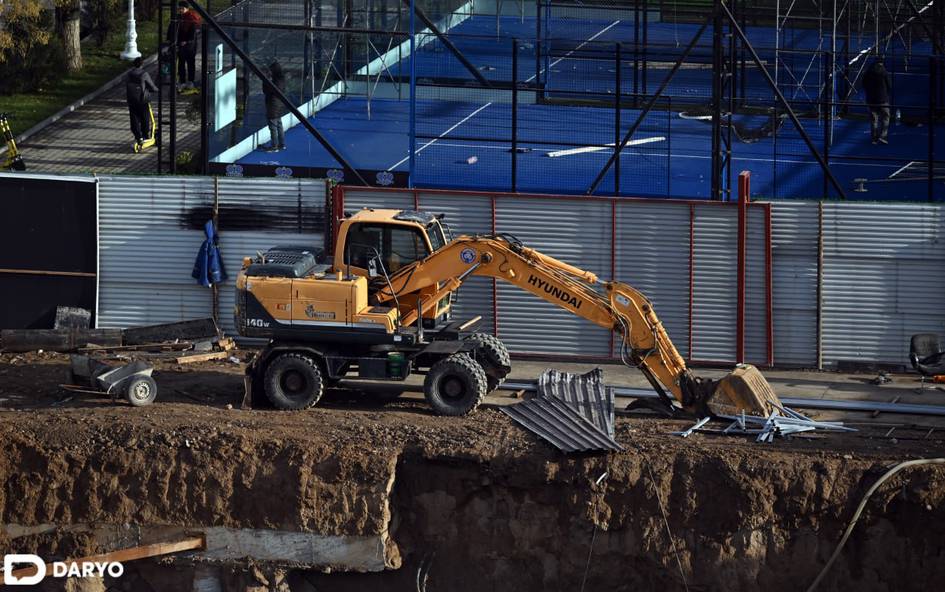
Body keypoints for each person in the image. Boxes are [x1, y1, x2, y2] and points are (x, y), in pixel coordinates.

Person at [125, 57, 159, 151]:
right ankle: (145, 135)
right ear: (142, 64)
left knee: (134, 118)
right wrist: (157, 89)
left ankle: (138, 136)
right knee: (145, 118)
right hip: (142, 100)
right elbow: (152, 86)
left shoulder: (129, 74)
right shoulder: (144, 74)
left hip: (131, 100)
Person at [167, 5, 202, 92]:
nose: (181, 10)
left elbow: (193, 33)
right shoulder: (178, 17)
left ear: (187, 8)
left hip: (190, 45)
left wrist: (187, 41)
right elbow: (172, 27)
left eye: (183, 8)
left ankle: (190, 81)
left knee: (190, 63)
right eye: (180, 8)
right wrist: (171, 39)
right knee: (181, 63)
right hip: (180, 44)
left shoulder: (191, 17)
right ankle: (182, 81)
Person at [863, 58, 892, 145]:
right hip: (883, 99)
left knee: (873, 119)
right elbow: (889, 85)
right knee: (886, 117)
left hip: (871, 99)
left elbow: (864, 84)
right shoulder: (884, 72)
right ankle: (883, 136)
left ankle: (874, 139)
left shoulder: (868, 72)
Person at [262, 60, 287, 152]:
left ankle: (274, 146)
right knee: (279, 124)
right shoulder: (281, 79)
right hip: (279, 104)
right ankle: (281, 144)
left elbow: (266, 91)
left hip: (273, 105)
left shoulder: (275, 81)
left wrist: (266, 80)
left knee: (273, 126)